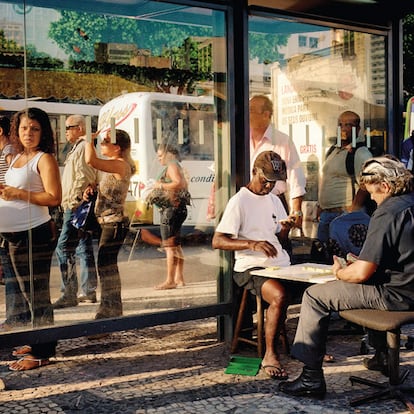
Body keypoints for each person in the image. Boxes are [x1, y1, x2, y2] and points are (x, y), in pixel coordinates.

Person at [279, 156, 414, 398]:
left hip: (396, 295)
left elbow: (362, 273)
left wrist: (342, 271)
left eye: (373, 192)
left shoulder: (386, 213)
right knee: (363, 281)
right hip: (409, 288)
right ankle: (382, 358)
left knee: (314, 296)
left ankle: (311, 378)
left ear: (385, 186)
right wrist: (360, 263)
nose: (371, 198)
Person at [212, 150, 296, 380]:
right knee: (278, 296)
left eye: (273, 182)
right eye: (265, 180)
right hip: (251, 267)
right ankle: (270, 354)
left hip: (279, 263)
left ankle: (308, 347)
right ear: (254, 172)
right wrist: (252, 243)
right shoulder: (240, 200)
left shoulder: (274, 199)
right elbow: (218, 241)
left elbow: (281, 237)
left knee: (316, 291)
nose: (269, 186)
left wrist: (287, 226)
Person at [0, 107, 61, 370]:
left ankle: (43, 351)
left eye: (35, 129)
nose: (29, 133)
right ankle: (36, 340)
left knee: (37, 295)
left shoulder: (43, 159)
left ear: (43, 132)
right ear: (17, 130)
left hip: (33, 234)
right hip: (12, 236)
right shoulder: (16, 158)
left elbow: (53, 197)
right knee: (26, 294)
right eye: (24, 128)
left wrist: (16, 194)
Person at [85, 129, 134, 319]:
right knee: (107, 267)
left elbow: (91, 161)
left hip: (114, 223)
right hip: (108, 222)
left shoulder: (120, 165)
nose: (101, 145)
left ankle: (108, 311)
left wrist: (89, 141)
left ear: (117, 147)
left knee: (106, 267)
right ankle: (112, 309)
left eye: (105, 142)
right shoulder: (117, 165)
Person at [53, 115, 98, 309]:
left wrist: (73, 202)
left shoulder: (82, 147)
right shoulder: (79, 147)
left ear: (80, 128)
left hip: (75, 206)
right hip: (76, 205)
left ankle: (69, 293)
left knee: (63, 247)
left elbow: (83, 176)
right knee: (83, 247)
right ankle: (88, 291)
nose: (65, 132)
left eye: (69, 127)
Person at [249, 95, 306, 227]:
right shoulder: (240, 138)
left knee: (275, 245)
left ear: (266, 115)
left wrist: (297, 211)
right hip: (245, 203)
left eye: (251, 110)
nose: (247, 114)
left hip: (273, 205)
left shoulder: (282, 141)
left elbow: (296, 178)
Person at [317, 111, 372, 242]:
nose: (343, 128)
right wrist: (320, 206)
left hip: (345, 213)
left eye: (348, 125)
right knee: (323, 257)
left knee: (345, 256)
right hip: (327, 214)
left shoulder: (360, 152)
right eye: (340, 124)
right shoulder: (333, 150)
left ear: (357, 129)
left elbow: (366, 183)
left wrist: (354, 208)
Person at [150, 143, 190, 290]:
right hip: (178, 208)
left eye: (160, 155)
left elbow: (178, 183)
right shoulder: (177, 165)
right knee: (176, 244)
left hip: (171, 210)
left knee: (169, 246)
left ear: (169, 154)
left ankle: (170, 280)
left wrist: (159, 186)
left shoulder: (172, 165)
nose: (159, 159)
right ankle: (179, 277)